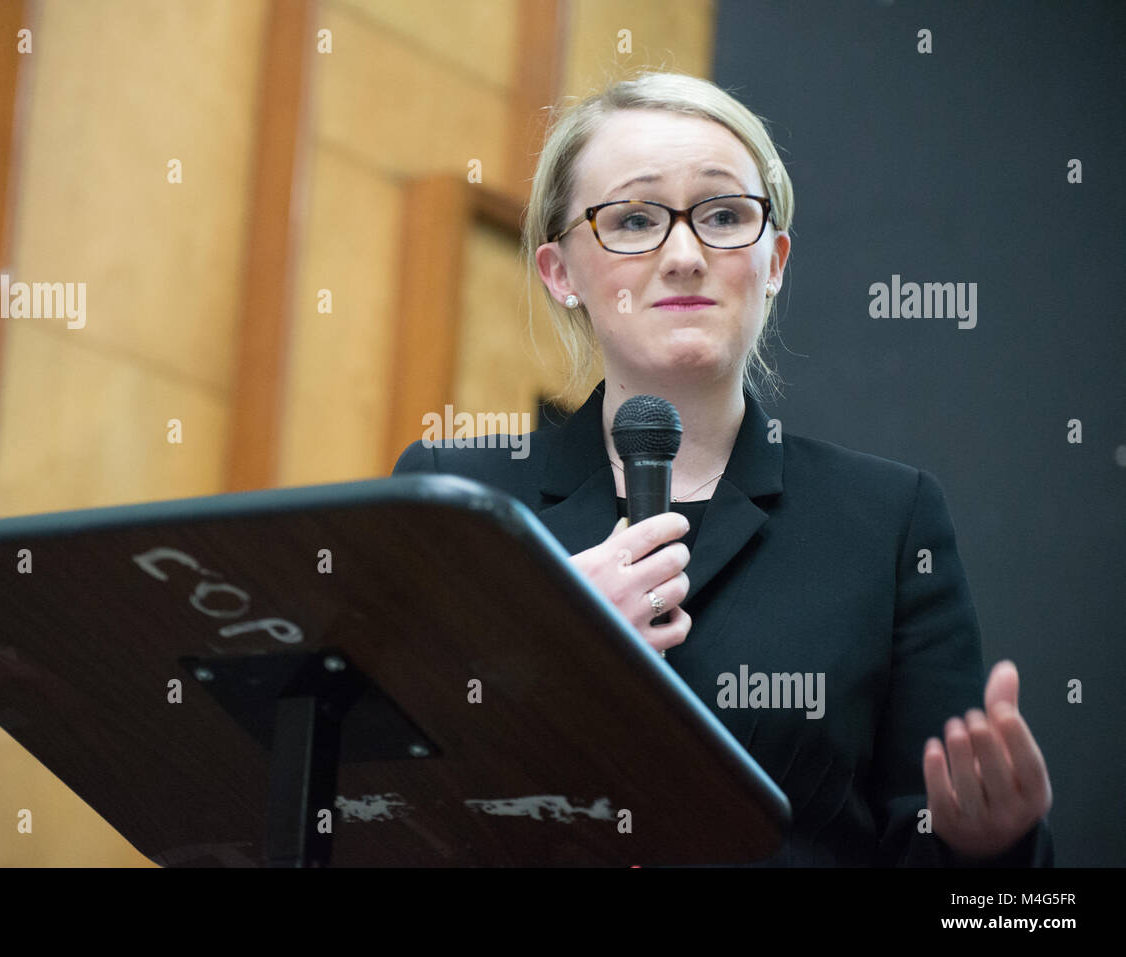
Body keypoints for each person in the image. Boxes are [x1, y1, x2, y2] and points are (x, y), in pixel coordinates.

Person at [392, 71, 1052, 866]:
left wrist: (993, 852)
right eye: (633, 219)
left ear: (773, 261)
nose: (683, 255)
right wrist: (546, 655)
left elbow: (976, 888)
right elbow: (378, 790)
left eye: (724, 217)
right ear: (560, 273)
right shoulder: (459, 495)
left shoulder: (886, 521)